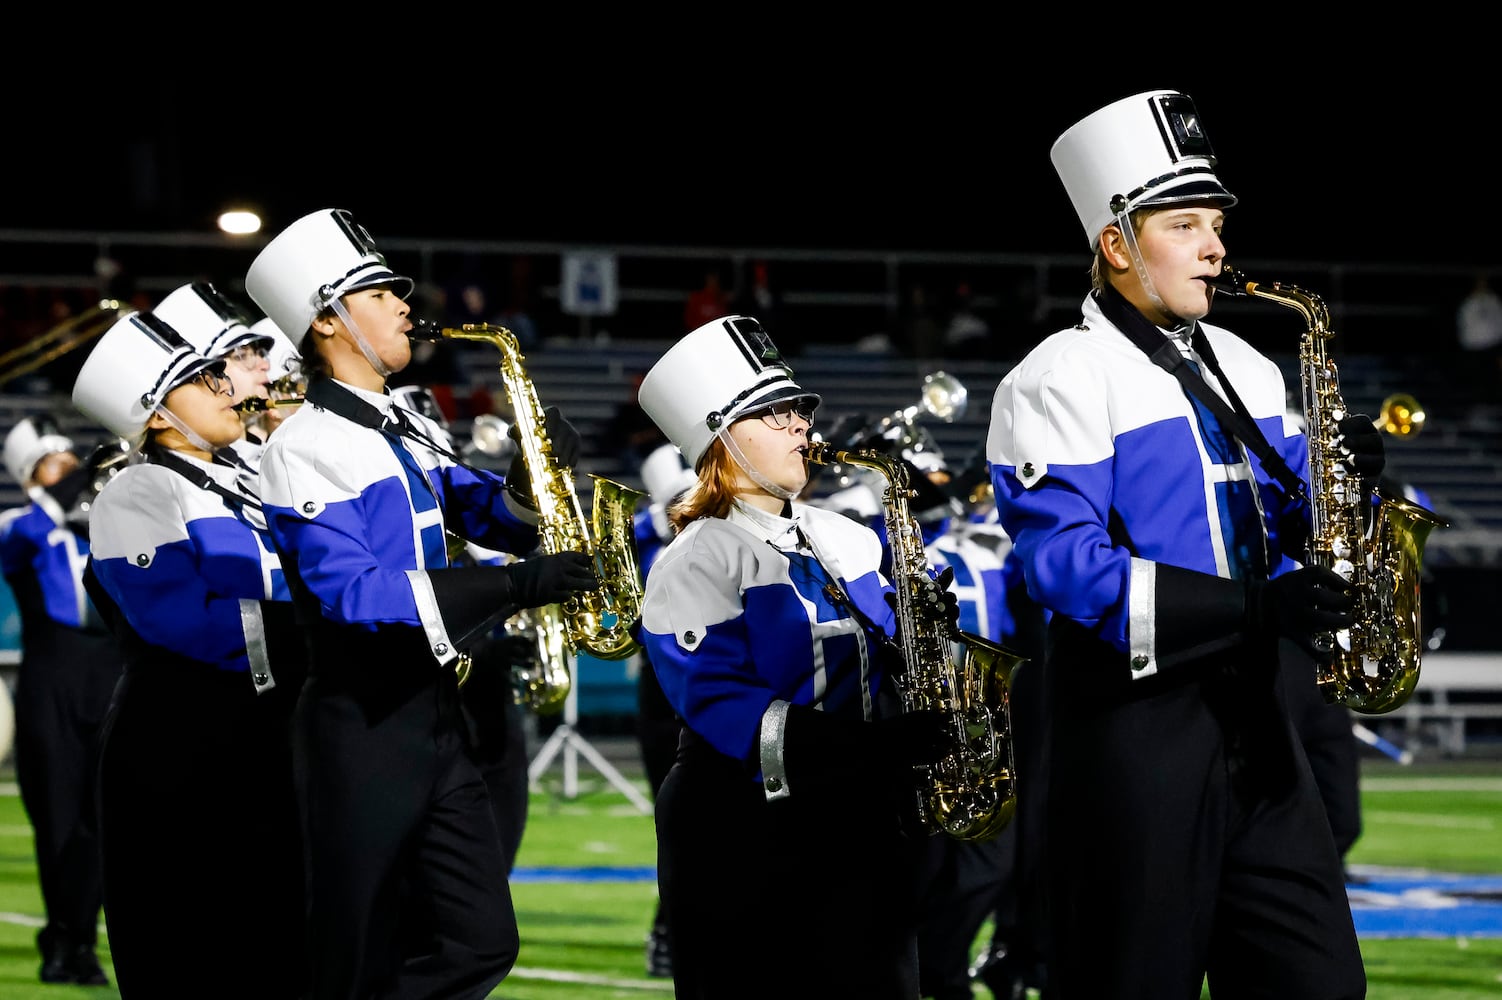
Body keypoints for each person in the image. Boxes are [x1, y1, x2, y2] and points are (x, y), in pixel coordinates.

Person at [984, 90, 1375, 999]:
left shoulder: (1245, 363)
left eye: (1217, 224)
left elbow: (1288, 528)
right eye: (1186, 223)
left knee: (1320, 985)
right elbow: (1067, 570)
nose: (1216, 246)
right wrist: (1254, 607)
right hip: (1134, 733)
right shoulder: (1056, 377)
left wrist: (1347, 489)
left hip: (1260, 720)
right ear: (1118, 245)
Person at [245, 207, 599, 1000]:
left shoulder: (401, 422)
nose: (406, 303)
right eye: (381, 290)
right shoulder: (300, 446)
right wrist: (514, 586)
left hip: (439, 711)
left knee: (481, 941)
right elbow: (355, 596)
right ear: (330, 322)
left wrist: (526, 482)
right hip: (359, 720)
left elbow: (488, 520)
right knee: (353, 949)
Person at [635, 314, 956, 998]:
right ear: (723, 437)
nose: (802, 428)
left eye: (800, 411)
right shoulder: (696, 557)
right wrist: (876, 748)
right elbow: (731, 713)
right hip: (742, 829)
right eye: (774, 414)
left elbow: (883, 660)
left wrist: (922, 632)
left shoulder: (848, 536)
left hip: (860, 816)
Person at [72, 309, 310, 999]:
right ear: (156, 411)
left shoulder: (244, 480)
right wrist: (322, 629)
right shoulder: (139, 488)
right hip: (178, 739)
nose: (228, 389)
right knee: (191, 947)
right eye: (205, 380)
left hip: (259, 726)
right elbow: (184, 623)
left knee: (274, 943)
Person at [0, 417, 118, 986]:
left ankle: (81, 940)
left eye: (73, 458)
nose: (69, 467)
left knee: (100, 823)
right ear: (29, 478)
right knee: (57, 822)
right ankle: (61, 937)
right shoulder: (20, 524)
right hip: (51, 684)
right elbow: (22, 538)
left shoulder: (104, 523)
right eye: (54, 462)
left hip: (109, 676)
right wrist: (84, 472)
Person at [629, 441, 697, 978]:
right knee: (678, 818)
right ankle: (668, 931)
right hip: (664, 687)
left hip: (719, 680)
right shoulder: (649, 540)